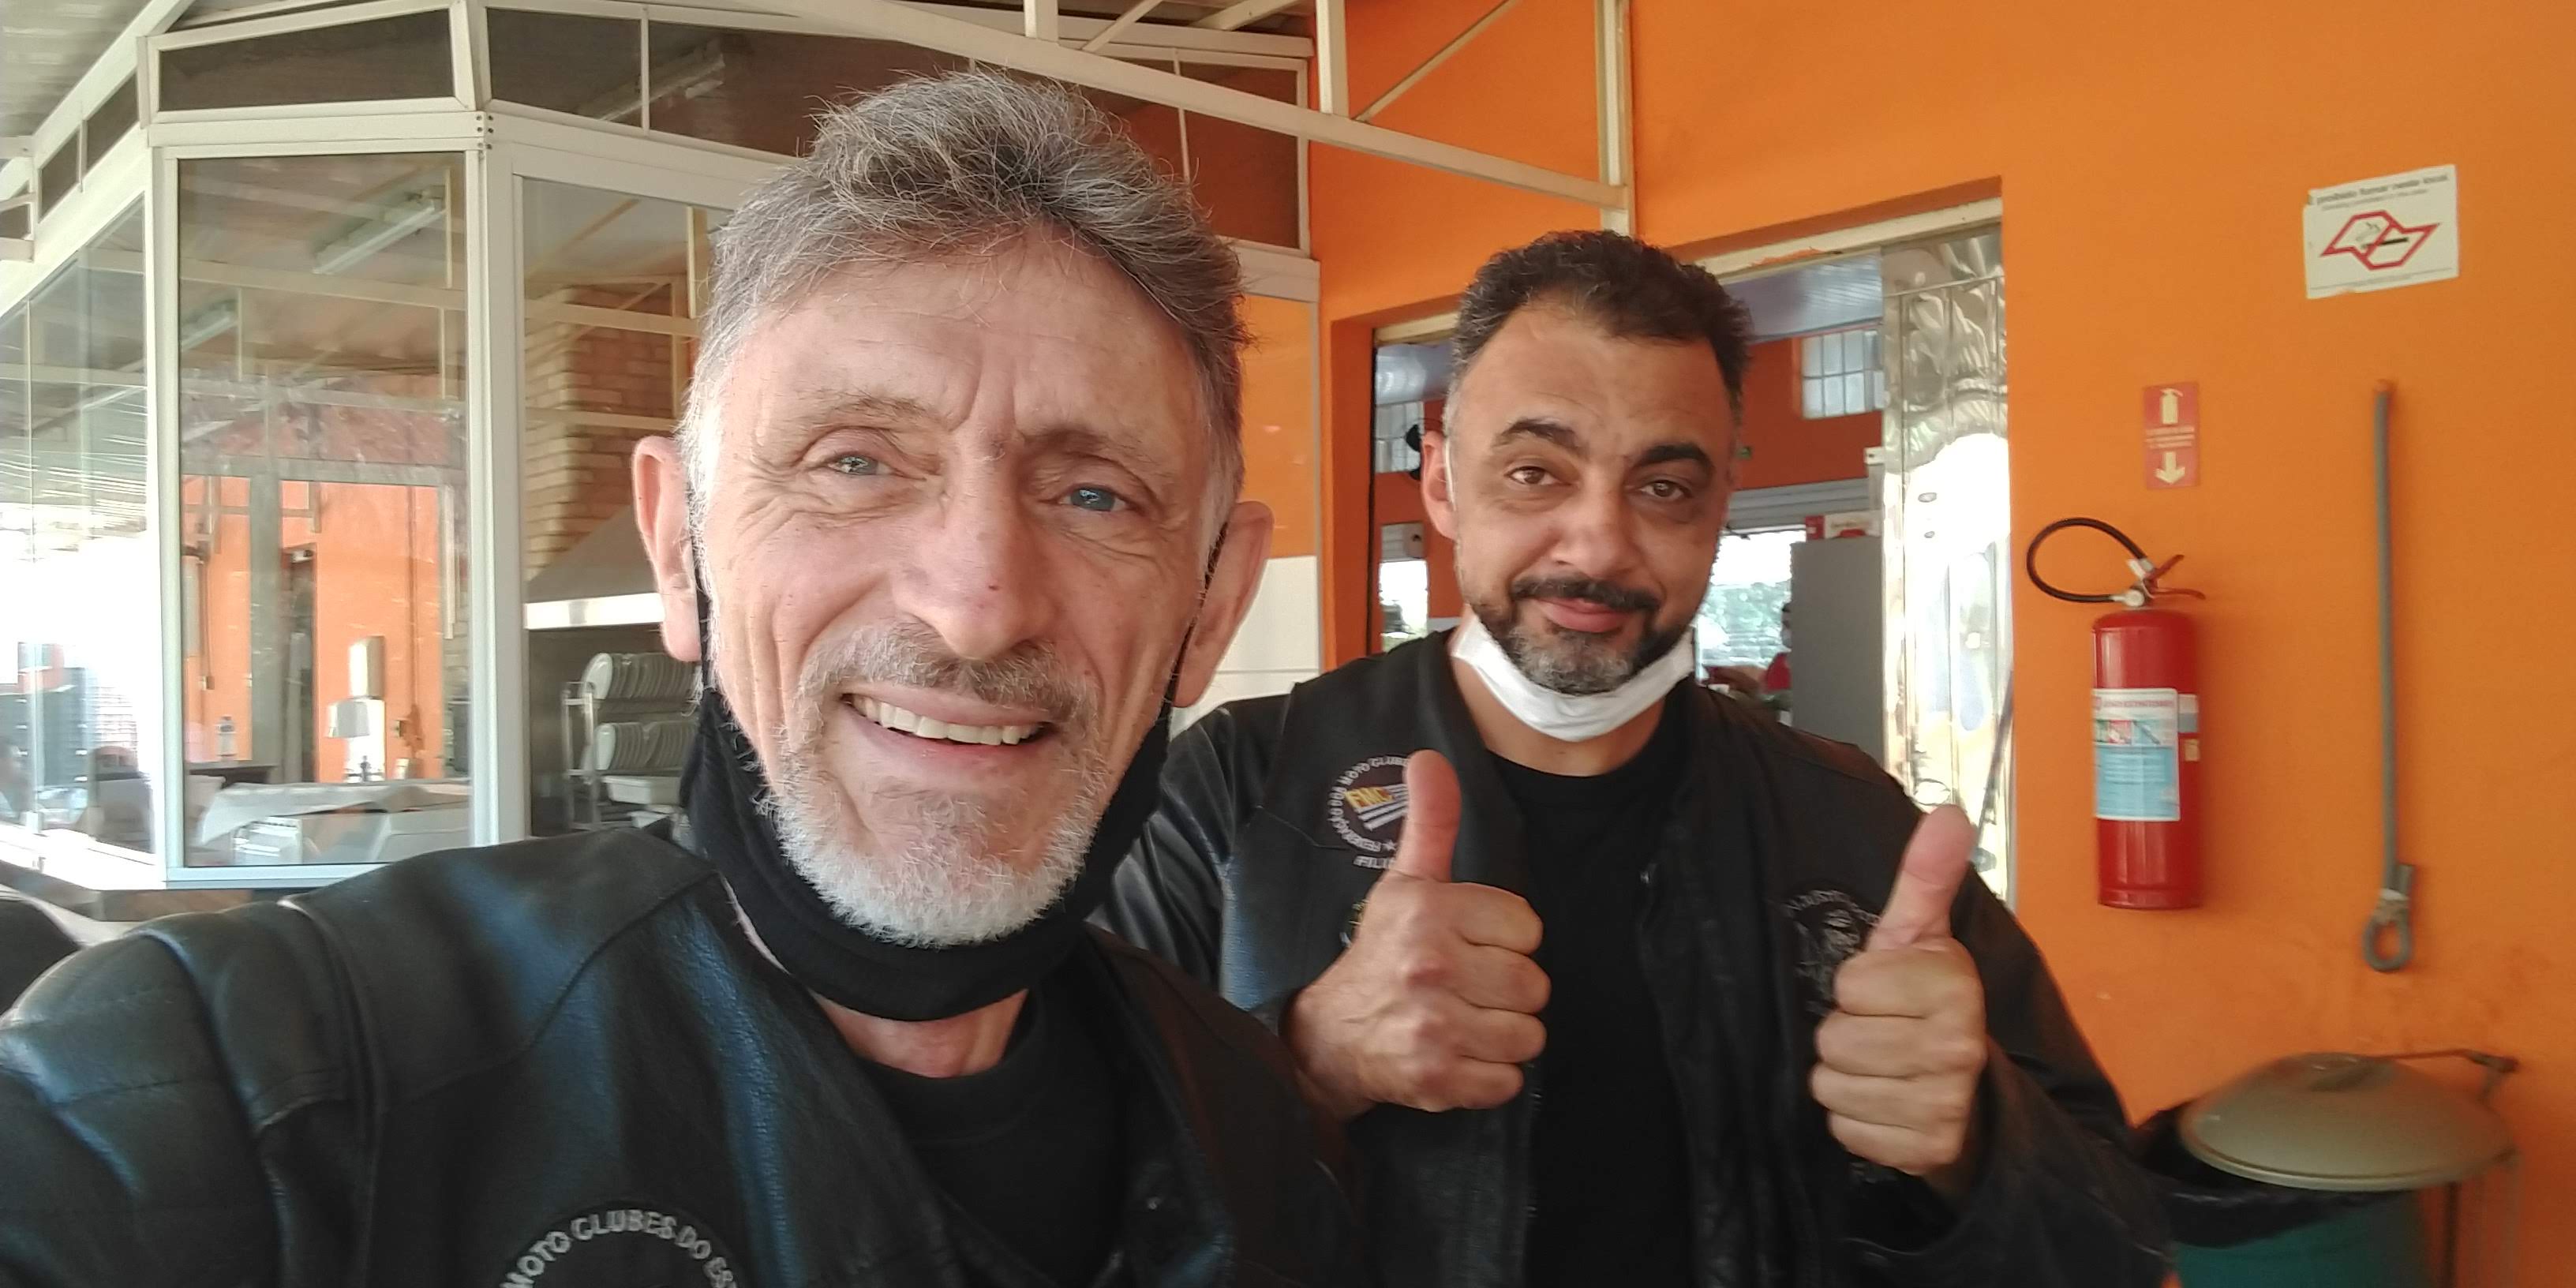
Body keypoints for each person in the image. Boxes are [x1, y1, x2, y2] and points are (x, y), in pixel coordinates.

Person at [0, 73, 1360, 1288]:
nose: (975, 603)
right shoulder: (245, 1086)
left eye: (1094, 493)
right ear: (677, 549)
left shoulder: (1242, 1116)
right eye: (854, 462)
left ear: (1213, 604)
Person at [1106, 231, 2169, 1286]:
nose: (1599, 543)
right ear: (1441, 483)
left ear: (1718, 510)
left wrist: (1977, 1139)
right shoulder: (1235, 797)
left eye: (1663, 488)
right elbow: (1063, 1216)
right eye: (1535, 472)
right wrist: (1309, 1063)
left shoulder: (1852, 829)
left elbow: (2117, 1247)